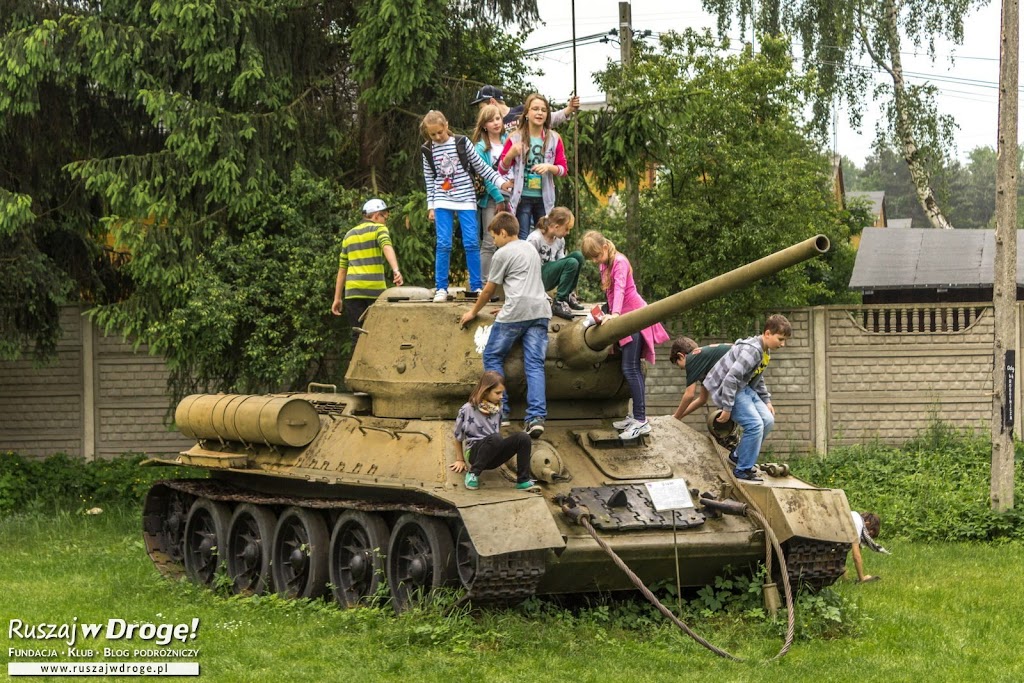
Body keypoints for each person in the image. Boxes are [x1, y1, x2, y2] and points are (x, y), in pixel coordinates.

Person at [458, 212, 550, 438]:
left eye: (494, 237)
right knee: (535, 364)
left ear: (503, 232)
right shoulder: (530, 248)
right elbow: (525, 282)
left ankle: (502, 411)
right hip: (539, 311)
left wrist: (473, 311)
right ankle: (536, 417)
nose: (493, 241)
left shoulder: (502, 253)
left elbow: (489, 290)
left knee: (492, 355)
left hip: (516, 312)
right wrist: (511, 305)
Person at [581, 230, 670, 440]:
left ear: (604, 247)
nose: (595, 261)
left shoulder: (619, 261)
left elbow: (620, 289)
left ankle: (641, 421)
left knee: (630, 369)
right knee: (630, 368)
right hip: (623, 320)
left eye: (596, 256)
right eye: (592, 258)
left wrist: (616, 315)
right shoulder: (605, 263)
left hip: (633, 318)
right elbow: (610, 294)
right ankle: (636, 416)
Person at [421, 110, 512, 303]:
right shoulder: (427, 150)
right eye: (433, 134)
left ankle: (477, 286)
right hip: (442, 200)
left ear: (446, 125)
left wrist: (499, 181)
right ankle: (441, 288)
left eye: (440, 132)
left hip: (466, 199)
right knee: (443, 243)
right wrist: (431, 206)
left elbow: (481, 166)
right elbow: (430, 179)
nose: (437, 137)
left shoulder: (461, 143)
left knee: (471, 242)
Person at [702, 314, 792, 483]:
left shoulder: (765, 352)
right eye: (780, 339)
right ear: (767, 334)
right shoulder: (752, 351)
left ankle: (738, 455)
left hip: (743, 387)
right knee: (755, 424)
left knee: (767, 419)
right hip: (726, 389)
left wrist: (766, 400)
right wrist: (727, 409)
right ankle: (742, 469)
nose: (782, 344)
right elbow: (730, 379)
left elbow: (758, 376)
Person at [331, 198, 403, 342]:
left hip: (353, 293)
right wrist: (396, 270)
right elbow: (386, 246)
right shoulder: (379, 229)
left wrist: (337, 298)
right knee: (378, 334)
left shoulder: (349, 235)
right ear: (376, 215)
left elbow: (342, 269)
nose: (385, 221)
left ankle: (357, 365)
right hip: (374, 291)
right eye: (384, 217)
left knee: (357, 336)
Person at [450, 370, 536, 490]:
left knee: (523, 437)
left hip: (493, 454)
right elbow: (458, 436)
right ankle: (473, 474)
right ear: (485, 392)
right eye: (498, 393)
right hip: (475, 455)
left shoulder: (498, 409)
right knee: (496, 438)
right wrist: (460, 460)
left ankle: (522, 480)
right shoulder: (467, 409)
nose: (501, 396)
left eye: (502, 393)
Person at [498, 94, 568, 239]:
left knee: (544, 236)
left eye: (543, 110)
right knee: (523, 236)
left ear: (547, 115)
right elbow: (502, 169)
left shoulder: (554, 138)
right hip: (522, 197)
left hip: (544, 198)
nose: (539, 113)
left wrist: (549, 167)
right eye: (535, 109)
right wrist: (511, 153)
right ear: (527, 113)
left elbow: (563, 169)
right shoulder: (515, 137)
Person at [471, 104, 510, 281]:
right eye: (490, 120)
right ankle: (484, 281)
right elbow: (486, 176)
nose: (495, 123)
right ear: (484, 125)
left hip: (513, 197)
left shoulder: (510, 141)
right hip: (493, 198)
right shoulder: (480, 148)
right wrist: (499, 198)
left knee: (510, 240)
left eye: (497, 118)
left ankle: (506, 280)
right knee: (489, 241)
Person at [527, 207, 585, 320]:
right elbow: (526, 266)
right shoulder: (534, 239)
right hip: (537, 278)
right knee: (572, 262)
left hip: (551, 274)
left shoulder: (559, 240)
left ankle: (568, 295)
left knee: (578, 256)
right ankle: (559, 302)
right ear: (556, 227)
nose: (568, 233)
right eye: (566, 229)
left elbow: (562, 262)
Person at [668, 336, 733, 420]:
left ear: (681, 356)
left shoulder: (692, 359)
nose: (680, 368)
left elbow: (689, 395)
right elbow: (702, 399)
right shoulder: (704, 364)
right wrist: (678, 416)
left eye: (677, 363)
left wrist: (676, 417)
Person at [470, 84, 580, 133]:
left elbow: (549, 119)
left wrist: (569, 109)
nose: (481, 112)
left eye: (482, 108)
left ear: (492, 102)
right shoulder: (490, 125)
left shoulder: (522, 111)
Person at [849, 511, 889, 582]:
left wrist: (845, 579)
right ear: (867, 524)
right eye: (869, 534)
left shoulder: (853, 517)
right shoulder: (858, 523)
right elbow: (856, 556)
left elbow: (840, 556)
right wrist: (862, 578)